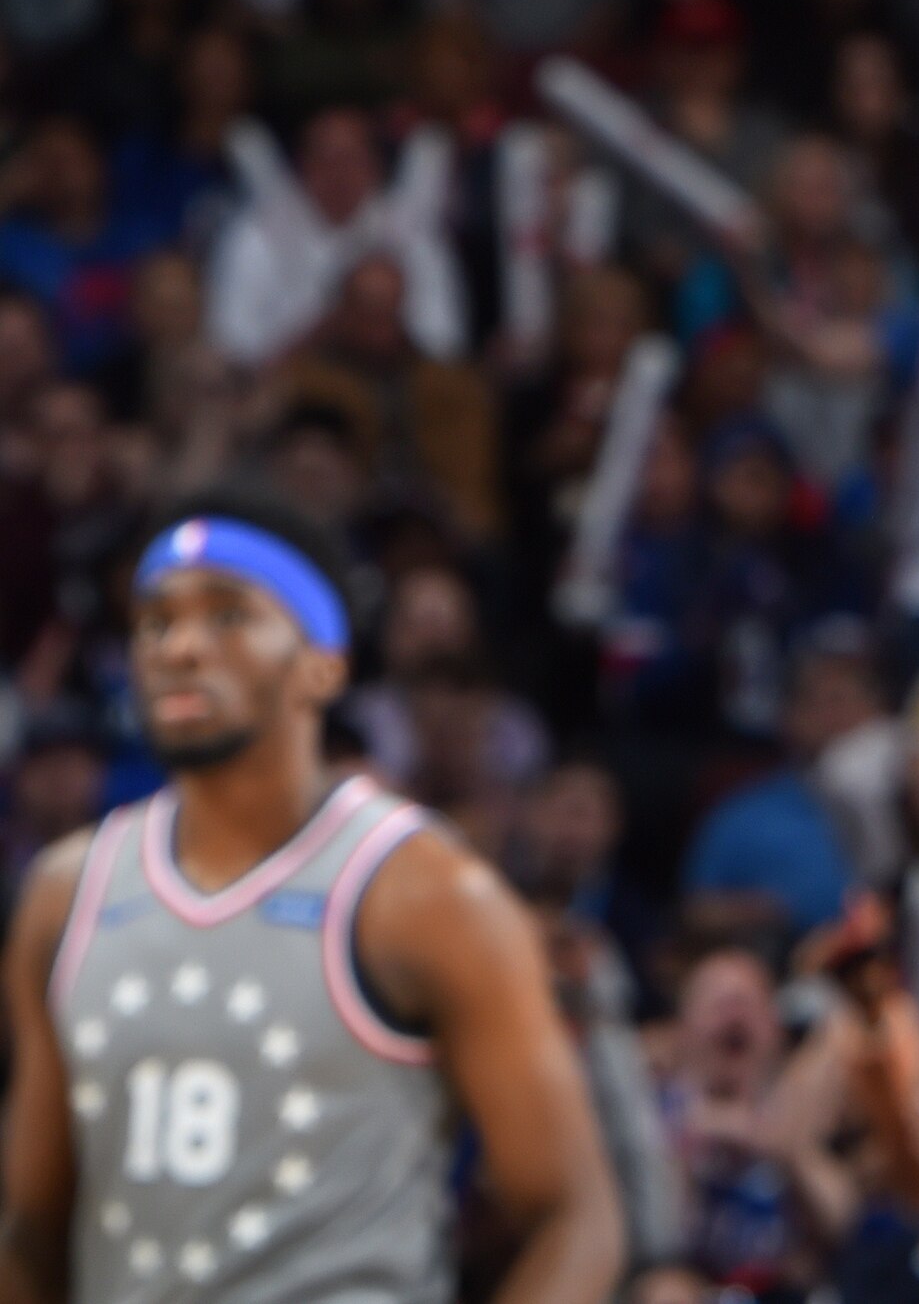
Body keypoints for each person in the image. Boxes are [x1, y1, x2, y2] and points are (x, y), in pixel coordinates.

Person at [0, 492, 625, 1304]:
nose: (180, 646)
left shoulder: (428, 893)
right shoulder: (64, 896)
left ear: (322, 663)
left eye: (228, 615)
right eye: (155, 621)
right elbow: (31, 1230)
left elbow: (576, 1218)